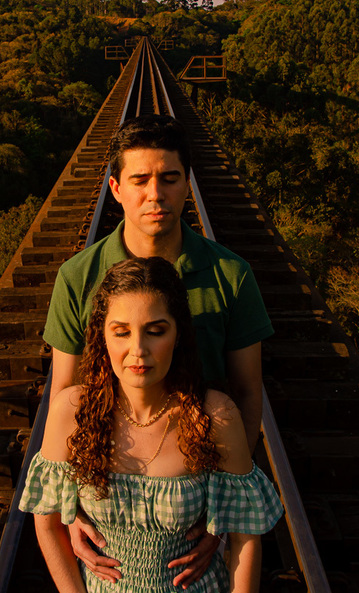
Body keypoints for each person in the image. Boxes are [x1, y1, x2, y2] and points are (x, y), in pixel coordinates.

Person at [44, 115, 274, 586]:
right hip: (116, 477)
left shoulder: (231, 275)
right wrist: (71, 507)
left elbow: (249, 392)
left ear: (187, 185)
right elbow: (66, 391)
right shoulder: (78, 277)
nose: (156, 194)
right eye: (140, 180)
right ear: (116, 188)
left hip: (197, 471)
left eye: (169, 179)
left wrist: (220, 506)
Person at [20, 257, 283, 593]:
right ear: (102, 336)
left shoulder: (214, 415)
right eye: (121, 332)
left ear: (178, 334)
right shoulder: (71, 412)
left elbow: (247, 542)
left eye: (156, 331)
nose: (138, 350)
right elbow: (47, 526)